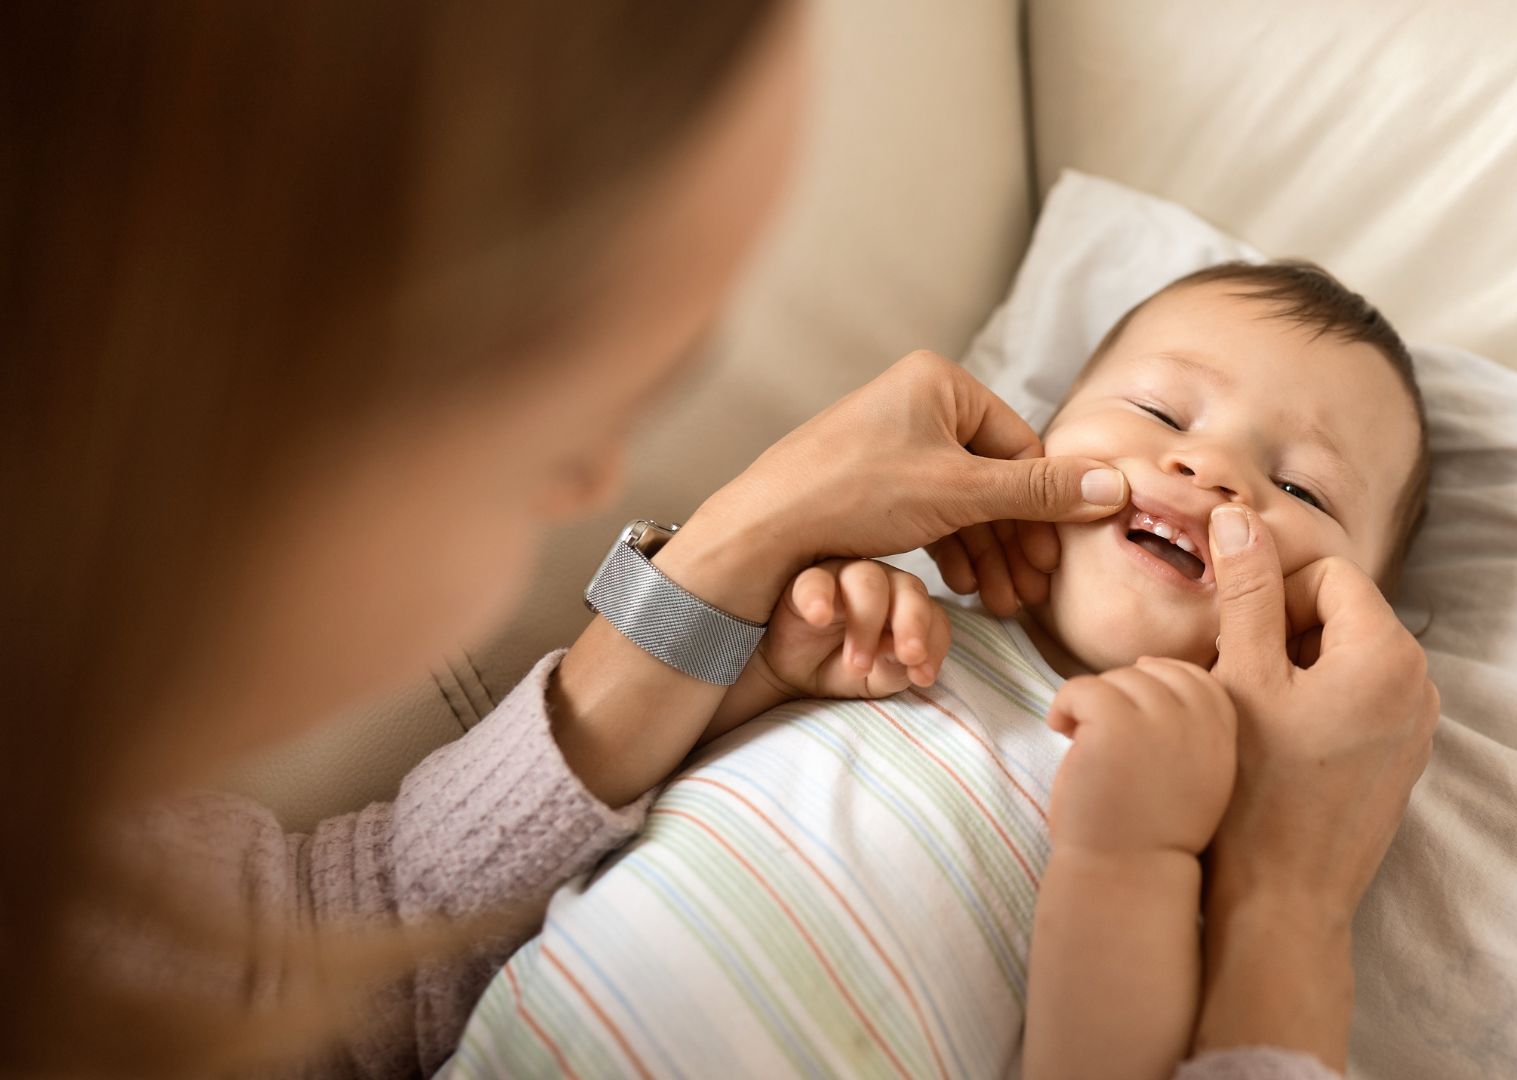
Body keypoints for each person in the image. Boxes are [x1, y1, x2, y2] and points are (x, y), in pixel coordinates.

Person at [0, 2, 1437, 1077]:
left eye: (1302, 493)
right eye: (556, 377)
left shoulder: (1147, 760)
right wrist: (1290, 911)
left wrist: (729, 649)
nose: (1208, 472)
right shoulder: (925, 624)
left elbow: (335, 946)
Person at [442, 260, 1431, 1080]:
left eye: (1301, 487)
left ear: (1332, 628)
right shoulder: (900, 618)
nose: (1210, 468)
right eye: (1162, 410)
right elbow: (603, 813)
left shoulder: (1210, 802)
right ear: (1042, 440)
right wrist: (768, 677)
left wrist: (1140, 854)